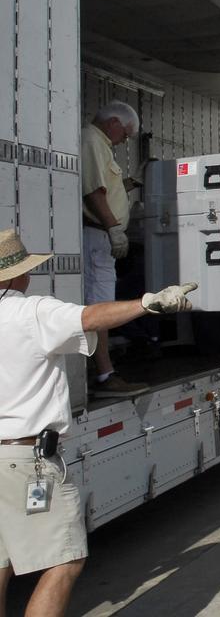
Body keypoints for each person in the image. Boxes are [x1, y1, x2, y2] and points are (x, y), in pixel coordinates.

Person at [0, 228, 196, 617]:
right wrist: (148, 303)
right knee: (65, 560)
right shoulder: (29, 311)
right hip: (25, 461)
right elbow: (90, 316)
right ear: (15, 275)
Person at [81, 101, 148, 397]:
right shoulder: (92, 140)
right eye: (126, 133)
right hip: (97, 236)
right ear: (114, 123)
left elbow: (107, 187)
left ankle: (101, 369)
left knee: (100, 302)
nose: (125, 139)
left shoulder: (98, 144)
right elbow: (95, 190)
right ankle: (105, 374)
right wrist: (113, 227)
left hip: (100, 236)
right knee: (101, 307)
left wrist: (134, 182)